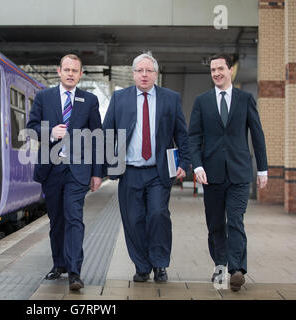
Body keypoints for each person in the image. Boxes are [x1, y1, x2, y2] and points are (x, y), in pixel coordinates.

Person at [103, 52, 190, 283]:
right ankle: (142, 266)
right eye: (139, 70)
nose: (144, 75)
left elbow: (182, 133)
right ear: (133, 74)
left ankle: (160, 264)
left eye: (148, 71)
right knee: (133, 220)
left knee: (158, 215)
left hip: (158, 172)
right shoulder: (119, 98)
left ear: (155, 74)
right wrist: (104, 167)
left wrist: (184, 163)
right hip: (129, 172)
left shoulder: (170, 98)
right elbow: (106, 133)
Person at [188, 53, 268, 292]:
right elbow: (194, 137)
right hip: (211, 174)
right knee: (215, 225)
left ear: (230, 70)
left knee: (235, 221)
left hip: (239, 173)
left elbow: (257, 134)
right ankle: (220, 264)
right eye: (213, 70)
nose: (216, 74)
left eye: (220, 69)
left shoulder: (245, 99)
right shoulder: (202, 101)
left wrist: (262, 169)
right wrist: (198, 165)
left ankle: (236, 270)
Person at [26, 54, 103, 291]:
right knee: (56, 220)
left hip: (78, 171)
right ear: (58, 71)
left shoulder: (89, 100)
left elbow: (97, 137)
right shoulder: (43, 97)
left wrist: (97, 173)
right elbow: (30, 129)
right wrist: (50, 133)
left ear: (81, 74)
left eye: (75, 70)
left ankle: (74, 272)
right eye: (67, 69)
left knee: (74, 218)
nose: (70, 74)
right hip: (51, 170)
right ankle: (58, 264)